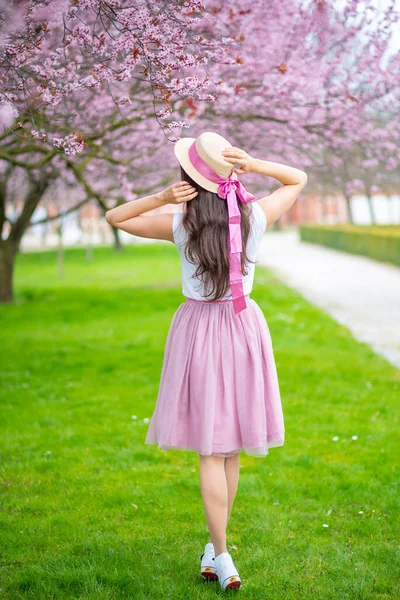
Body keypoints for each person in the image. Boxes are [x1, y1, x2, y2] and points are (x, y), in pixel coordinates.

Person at [105, 131, 307, 591]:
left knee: (212, 449)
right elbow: (297, 179)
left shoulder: (181, 221)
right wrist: (255, 164)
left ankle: (219, 552)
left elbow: (115, 216)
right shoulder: (255, 214)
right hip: (242, 327)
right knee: (229, 446)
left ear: (190, 179)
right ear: (230, 174)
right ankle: (217, 550)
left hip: (198, 329)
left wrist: (160, 196)